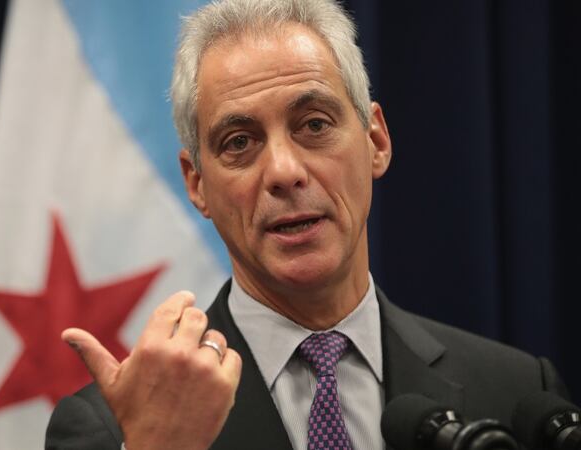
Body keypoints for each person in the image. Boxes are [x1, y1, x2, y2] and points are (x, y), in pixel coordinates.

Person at [45, 0, 569, 449]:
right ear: (197, 183)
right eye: (239, 142)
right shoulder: (115, 429)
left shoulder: (517, 391)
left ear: (376, 142)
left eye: (314, 125)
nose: (284, 172)